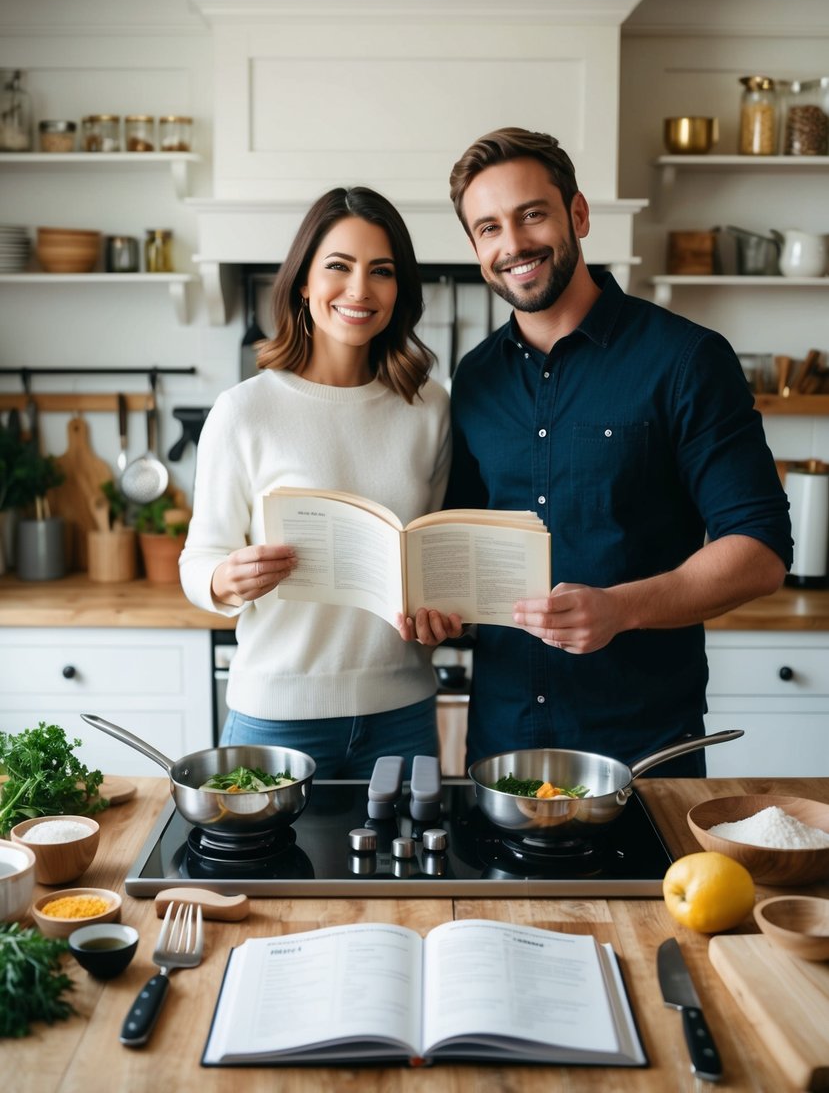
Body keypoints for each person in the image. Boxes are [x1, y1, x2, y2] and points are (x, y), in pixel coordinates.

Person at [402, 126, 792, 776]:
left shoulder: (686, 359)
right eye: (490, 228)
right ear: (475, 248)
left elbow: (760, 551)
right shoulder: (473, 378)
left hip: (644, 748)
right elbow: (462, 548)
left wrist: (621, 608)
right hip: (503, 745)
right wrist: (438, 610)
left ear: (576, 214)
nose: (514, 244)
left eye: (532, 215)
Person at [180, 186, 458, 778]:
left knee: (401, 873)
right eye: (338, 266)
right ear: (303, 282)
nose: (359, 290)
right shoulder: (243, 411)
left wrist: (441, 608)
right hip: (274, 714)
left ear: (398, 291)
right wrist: (223, 578)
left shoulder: (429, 407)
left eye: (381, 271)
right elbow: (198, 559)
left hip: (402, 713)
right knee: (268, 874)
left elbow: (430, 561)